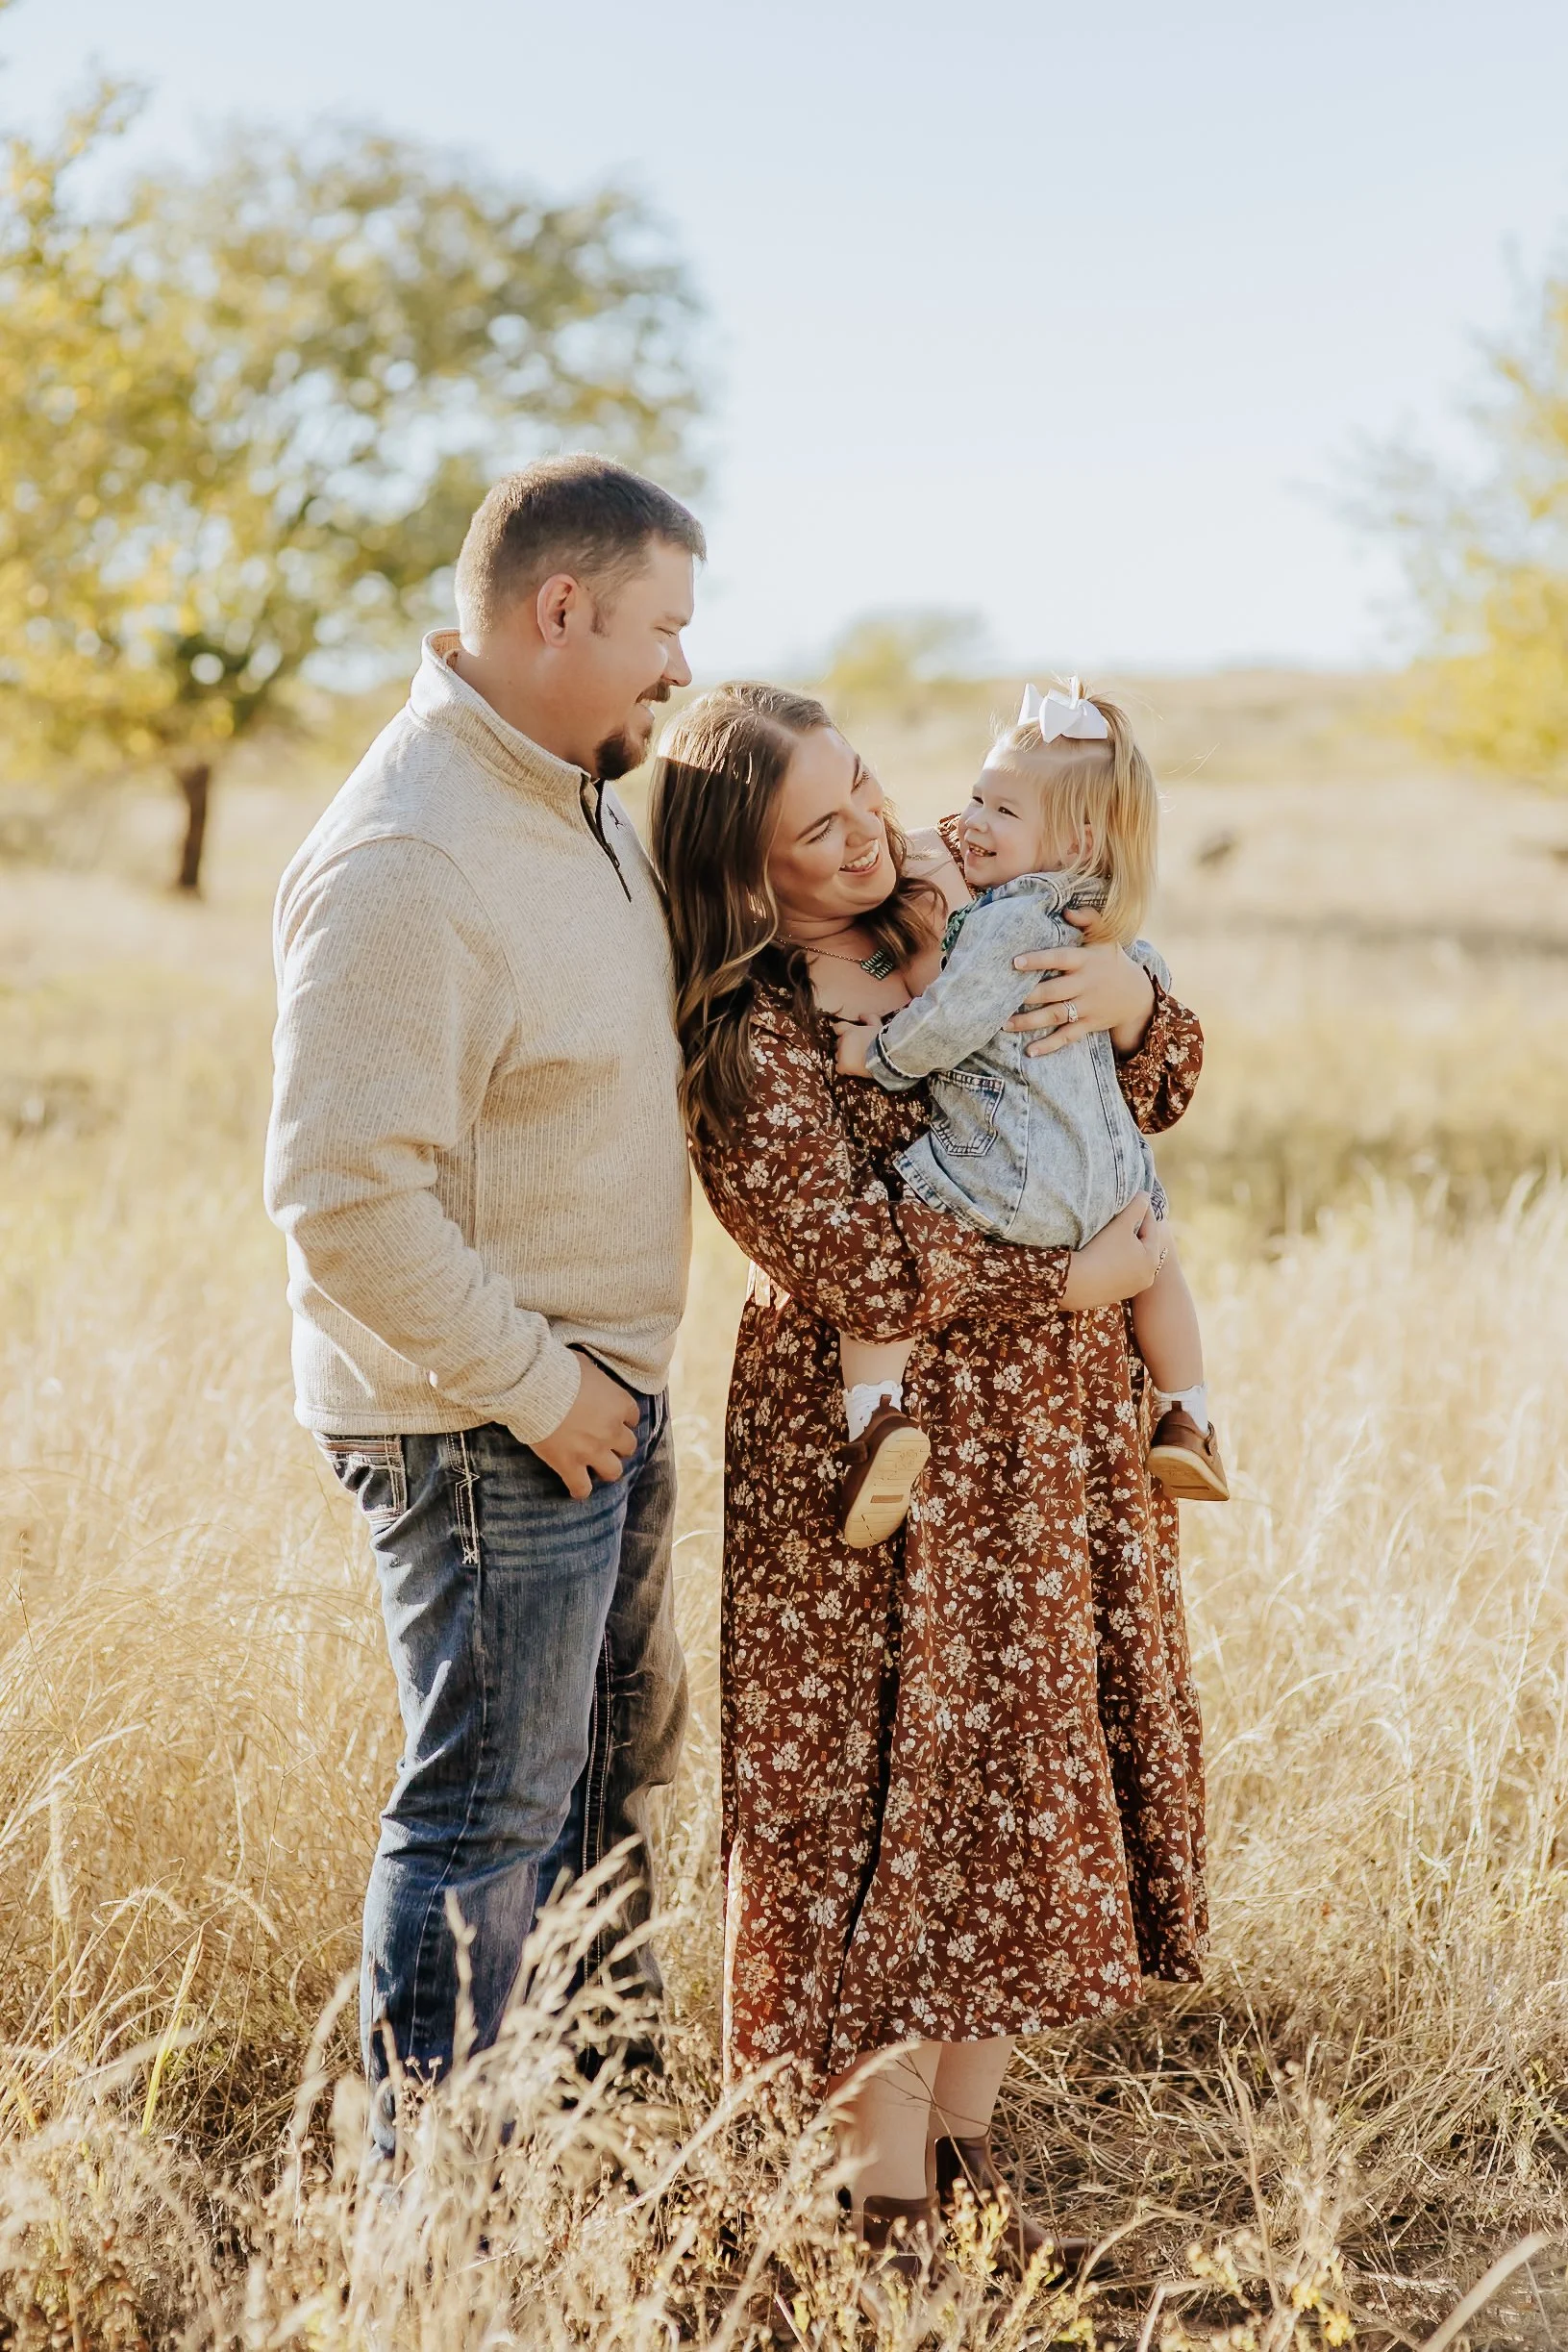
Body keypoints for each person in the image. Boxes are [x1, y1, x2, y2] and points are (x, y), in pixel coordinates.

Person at [649, 682, 1207, 2301]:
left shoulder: (949, 909)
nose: (868, 831)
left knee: (1014, 1789)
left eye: (863, 789)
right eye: (817, 826)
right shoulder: (745, 1026)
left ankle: (966, 2167)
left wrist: (1130, 998)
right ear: (743, 868)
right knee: (877, 1799)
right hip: (871, 1475)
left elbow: (1150, 1098)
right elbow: (848, 1258)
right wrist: (1077, 1279)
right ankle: (871, 2205)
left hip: (1051, 1449)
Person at [263, 454, 702, 2156]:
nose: (682, 660)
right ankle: (430, 2226)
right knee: (483, 1825)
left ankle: (580, 2171)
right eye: (663, 623)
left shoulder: (568, 791)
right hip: (485, 1422)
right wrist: (541, 1388)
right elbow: (343, 1197)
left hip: (586, 1398)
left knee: (598, 1798)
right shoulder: (408, 854)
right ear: (560, 609)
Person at [831, 679, 1228, 1550]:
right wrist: (1137, 987)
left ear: (1077, 838)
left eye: (997, 808)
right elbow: (1149, 988)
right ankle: (1189, 1415)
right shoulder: (1101, 923)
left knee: (892, 1234)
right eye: (973, 795)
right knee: (1158, 1259)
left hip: (1012, 1181)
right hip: (1116, 1189)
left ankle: (878, 1415)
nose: (967, 819)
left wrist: (877, 1052)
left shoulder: (1006, 923)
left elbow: (953, 1018)